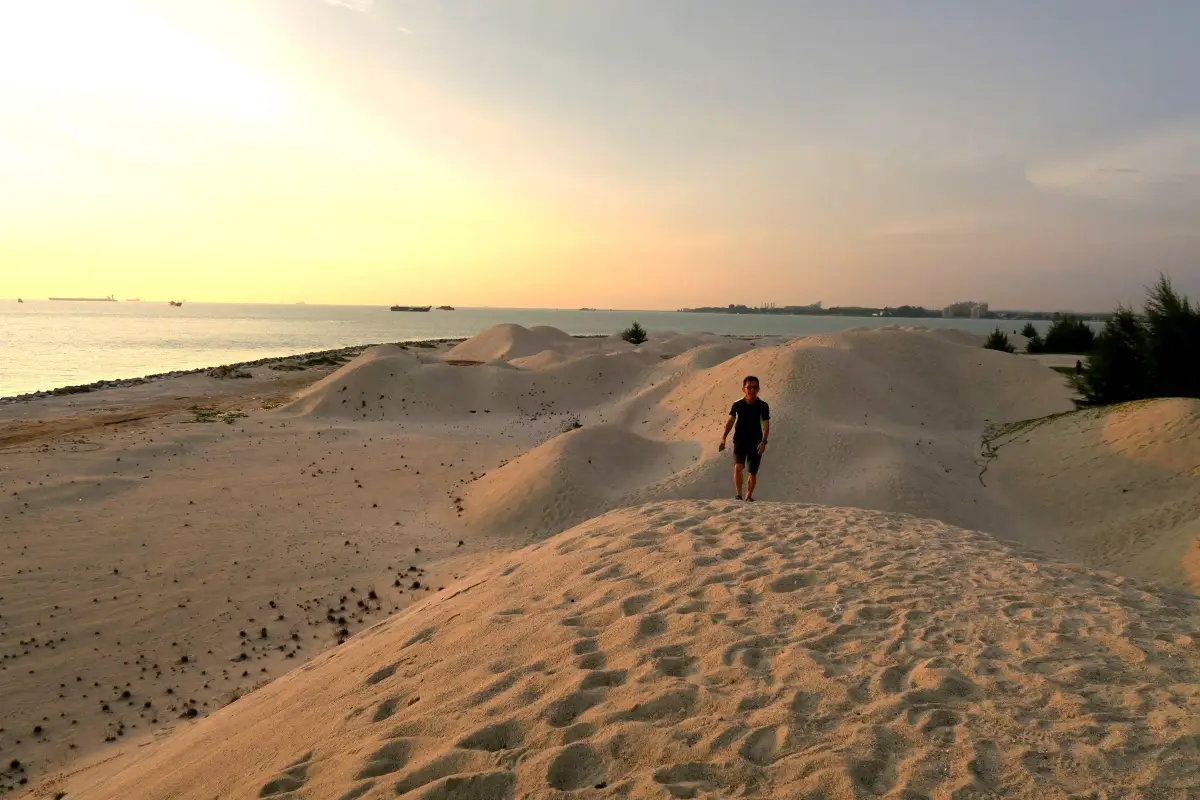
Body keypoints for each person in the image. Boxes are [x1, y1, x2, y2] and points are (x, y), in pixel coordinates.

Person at [719, 375, 770, 501]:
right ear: (744, 389)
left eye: (755, 387)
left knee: (752, 471)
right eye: (749, 387)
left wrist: (763, 442)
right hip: (740, 440)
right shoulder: (738, 404)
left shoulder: (763, 406)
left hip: (756, 441)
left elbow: (766, 426)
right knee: (738, 467)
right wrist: (723, 438)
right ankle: (738, 495)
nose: (752, 390)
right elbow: (730, 421)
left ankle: (749, 495)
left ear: (758, 389)